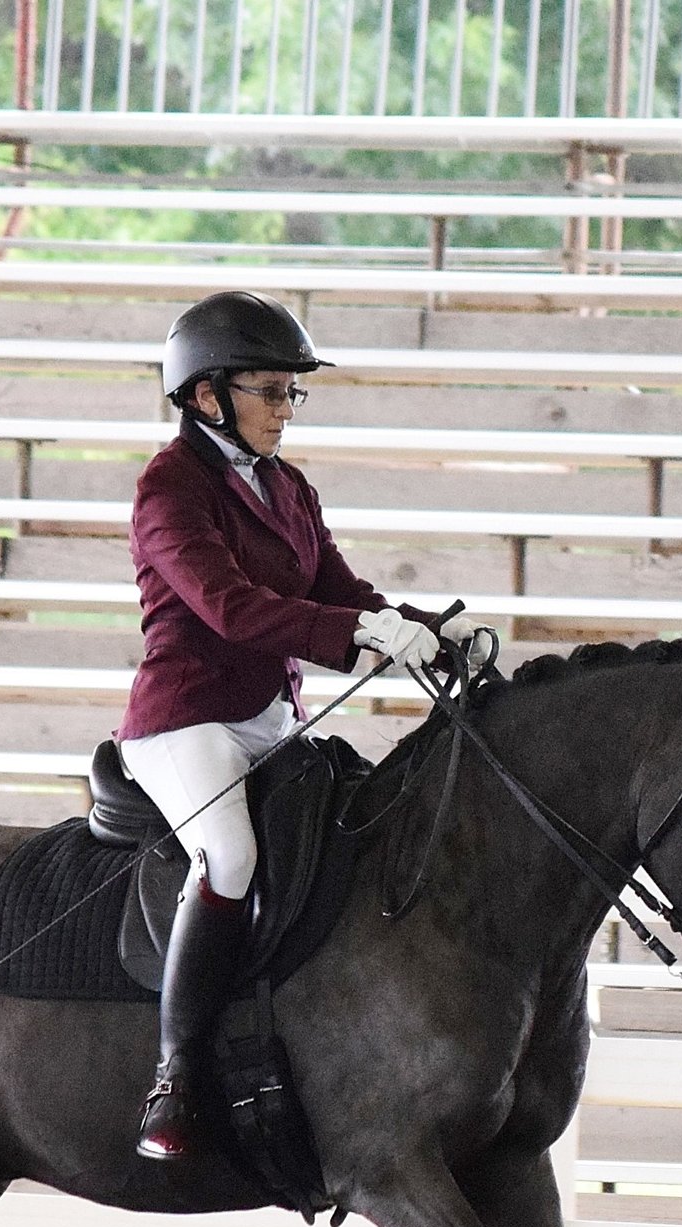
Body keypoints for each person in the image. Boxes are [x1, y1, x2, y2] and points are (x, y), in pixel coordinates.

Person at [118, 290, 443, 1164]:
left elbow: (336, 587)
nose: (284, 410)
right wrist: (358, 633)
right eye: (270, 390)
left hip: (272, 717)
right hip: (186, 718)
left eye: (292, 394)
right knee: (229, 855)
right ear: (205, 394)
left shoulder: (289, 487)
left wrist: (415, 626)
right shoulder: (169, 485)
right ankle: (176, 1075)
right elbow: (227, 607)